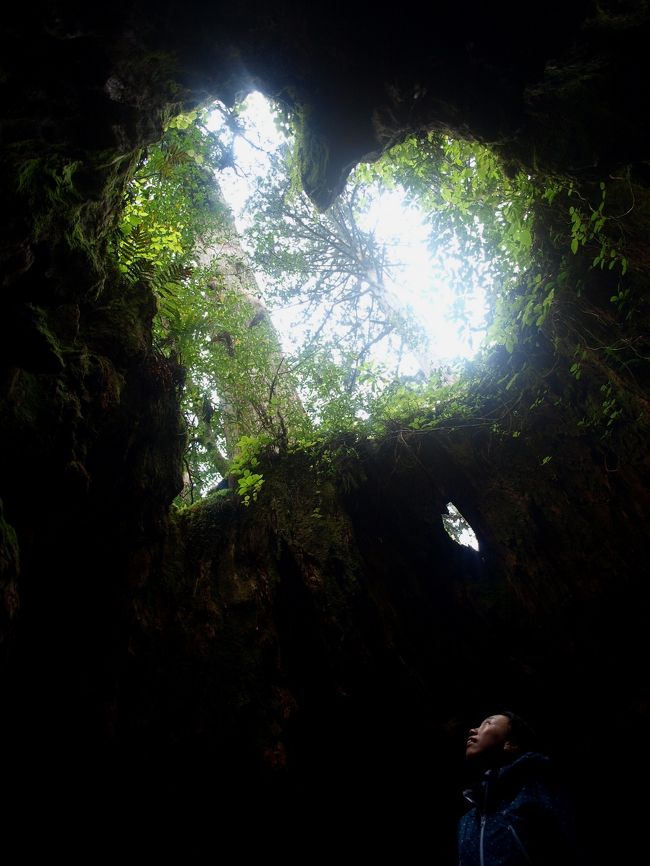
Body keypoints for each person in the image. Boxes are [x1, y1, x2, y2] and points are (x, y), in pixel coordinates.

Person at [458, 711, 584, 866]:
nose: (472, 730)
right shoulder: (467, 821)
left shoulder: (538, 786)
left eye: (488, 723)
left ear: (511, 744)